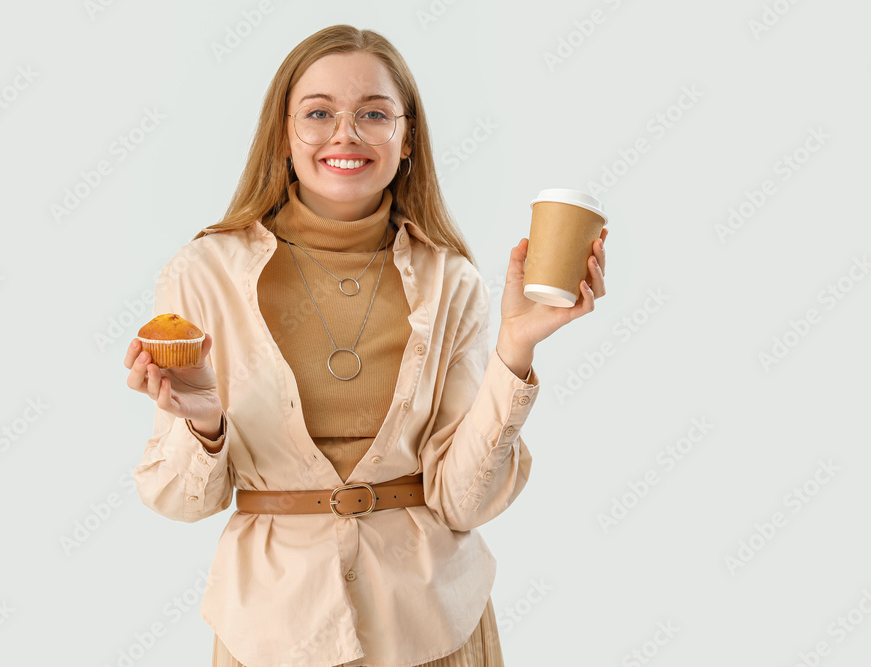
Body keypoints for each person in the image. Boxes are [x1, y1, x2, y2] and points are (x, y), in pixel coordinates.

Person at [123, 24, 608, 667]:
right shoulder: (201, 274)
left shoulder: (450, 280)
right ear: (283, 134)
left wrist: (515, 348)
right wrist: (203, 423)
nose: (345, 134)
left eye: (374, 114)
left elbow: (464, 500)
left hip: (433, 626)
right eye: (318, 113)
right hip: (274, 633)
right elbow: (179, 500)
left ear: (406, 140)